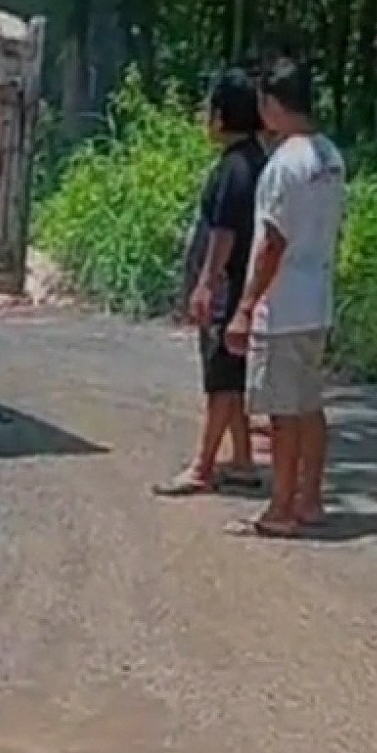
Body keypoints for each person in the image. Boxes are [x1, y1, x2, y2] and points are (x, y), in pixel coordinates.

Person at [224, 56, 346, 537]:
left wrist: (246, 305)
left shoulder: (282, 164)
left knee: (281, 412)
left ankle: (280, 508)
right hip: (317, 298)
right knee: (310, 405)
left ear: (272, 104)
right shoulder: (330, 157)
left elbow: (272, 241)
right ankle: (310, 500)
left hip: (283, 303)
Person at [154, 66, 269, 497]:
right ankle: (241, 459)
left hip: (228, 289)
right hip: (240, 285)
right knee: (232, 376)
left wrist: (205, 283)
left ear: (220, 116)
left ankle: (202, 466)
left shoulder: (234, 169)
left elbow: (224, 233)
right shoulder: (255, 161)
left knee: (220, 379)